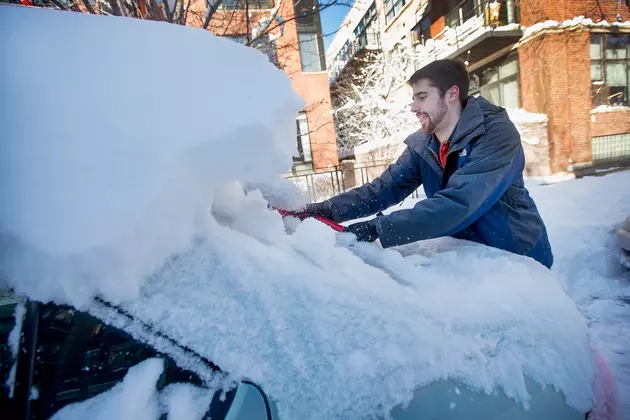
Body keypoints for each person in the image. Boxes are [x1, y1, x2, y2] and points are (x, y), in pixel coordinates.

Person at [301, 59, 554, 268]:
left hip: (518, 260)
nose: (413, 107)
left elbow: (460, 203)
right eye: (413, 98)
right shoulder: (425, 144)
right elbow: (383, 189)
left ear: (452, 94)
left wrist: (378, 228)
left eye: (422, 97)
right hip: (472, 258)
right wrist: (326, 209)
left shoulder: (495, 134)